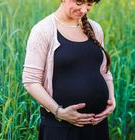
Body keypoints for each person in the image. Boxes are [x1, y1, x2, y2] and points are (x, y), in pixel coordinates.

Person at [22, 0, 116, 139]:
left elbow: (104, 71)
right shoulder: (43, 30)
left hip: (97, 125)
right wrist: (59, 112)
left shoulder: (95, 28)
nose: (84, 10)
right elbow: (30, 81)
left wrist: (111, 98)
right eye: (79, 3)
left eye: (89, 4)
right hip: (60, 127)